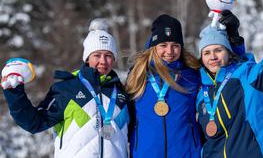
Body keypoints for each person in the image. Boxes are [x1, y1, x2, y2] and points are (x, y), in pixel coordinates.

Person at [1, 18, 129, 158]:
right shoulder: (67, 89)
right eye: (97, 55)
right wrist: (14, 92)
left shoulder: (122, 93)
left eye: (108, 56)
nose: (103, 61)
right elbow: (34, 123)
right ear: (87, 57)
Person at [196, 0, 263, 158]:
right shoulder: (199, 90)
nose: (213, 57)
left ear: (228, 52)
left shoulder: (248, 77)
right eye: (207, 52)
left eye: (219, 50)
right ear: (201, 57)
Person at [126, 14, 202, 158]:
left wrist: (236, 43)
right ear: (153, 47)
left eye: (175, 45)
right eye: (163, 45)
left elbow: (226, 69)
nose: (169, 51)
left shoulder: (192, 75)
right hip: (145, 154)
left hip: (186, 153)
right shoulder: (138, 75)